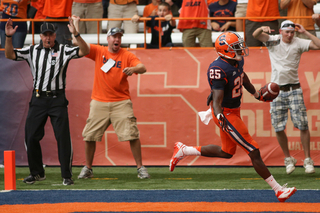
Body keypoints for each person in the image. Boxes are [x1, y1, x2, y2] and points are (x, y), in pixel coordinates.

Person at [169, 31, 297, 202]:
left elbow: (241, 76)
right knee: (253, 150)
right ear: (225, 50)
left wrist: (256, 93)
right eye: (236, 47)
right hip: (225, 114)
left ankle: (184, 150)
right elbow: (216, 100)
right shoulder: (218, 68)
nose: (240, 50)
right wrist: (221, 117)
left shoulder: (236, 61)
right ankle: (278, 190)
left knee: (226, 152)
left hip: (233, 111)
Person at [4, 18, 89, 185]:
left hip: (57, 99)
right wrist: (8, 38)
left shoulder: (63, 50)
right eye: (45, 35)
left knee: (62, 138)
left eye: (50, 35)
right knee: (30, 136)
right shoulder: (32, 50)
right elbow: (10, 54)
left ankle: (66, 176)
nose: (48, 38)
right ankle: (37, 173)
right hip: (38, 99)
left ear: (55, 35)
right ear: (40, 36)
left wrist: (76, 34)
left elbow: (84, 51)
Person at [77, 27, 150, 179]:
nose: (117, 39)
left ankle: (140, 168)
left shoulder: (126, 55)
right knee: (89, 135)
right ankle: (88, 168)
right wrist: (76, 33)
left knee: (132, 134)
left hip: (121, 102)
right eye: (114, 36)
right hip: (99, 102)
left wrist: (133, 68)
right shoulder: (99, 51)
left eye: (119, 37)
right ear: (108, 39)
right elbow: (83, 48)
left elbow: (143, 68)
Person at [252, 20, 320, 174]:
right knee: (278, 126)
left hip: (294, 88)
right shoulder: (273, 40)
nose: (290, 35)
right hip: (276, 91)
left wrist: (305, 32)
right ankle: (288, 159)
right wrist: (261, 28)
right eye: (287, 32)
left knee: (302, 125)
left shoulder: (298, 41)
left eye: (292, 32)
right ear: (281, 31)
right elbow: (255, 35)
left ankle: (308, 160)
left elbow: (318, 45)